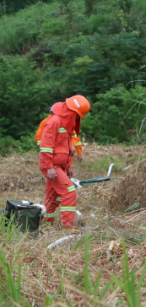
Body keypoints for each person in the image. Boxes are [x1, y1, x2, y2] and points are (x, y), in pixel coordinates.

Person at [40, 95, 91, 230]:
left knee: (53, 196)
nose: (77, 119)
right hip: (52, 166)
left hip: (59, 166)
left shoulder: (66, 125)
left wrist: (68, 166)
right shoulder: (54, 122)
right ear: (72, 112)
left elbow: (66, 148)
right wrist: (49, 167)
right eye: (77, 115)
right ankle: (67, 226)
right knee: (69, 191)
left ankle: (46, 223)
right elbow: (45, 146)